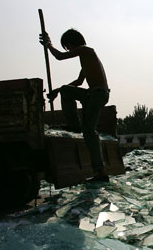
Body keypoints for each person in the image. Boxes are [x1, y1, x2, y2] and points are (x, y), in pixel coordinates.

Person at [40, 29, 110, 182]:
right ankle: (100, 170)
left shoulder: (86, 50)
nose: (69, 50)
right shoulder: (87, 58)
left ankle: (100, 171)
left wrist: (48, 44)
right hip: (95, 94)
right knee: (66, 91)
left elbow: (59, 56)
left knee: (89, 132)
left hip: (96, 94)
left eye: (67, 47)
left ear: (70, 44)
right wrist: (58, 90)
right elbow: (79, 82)